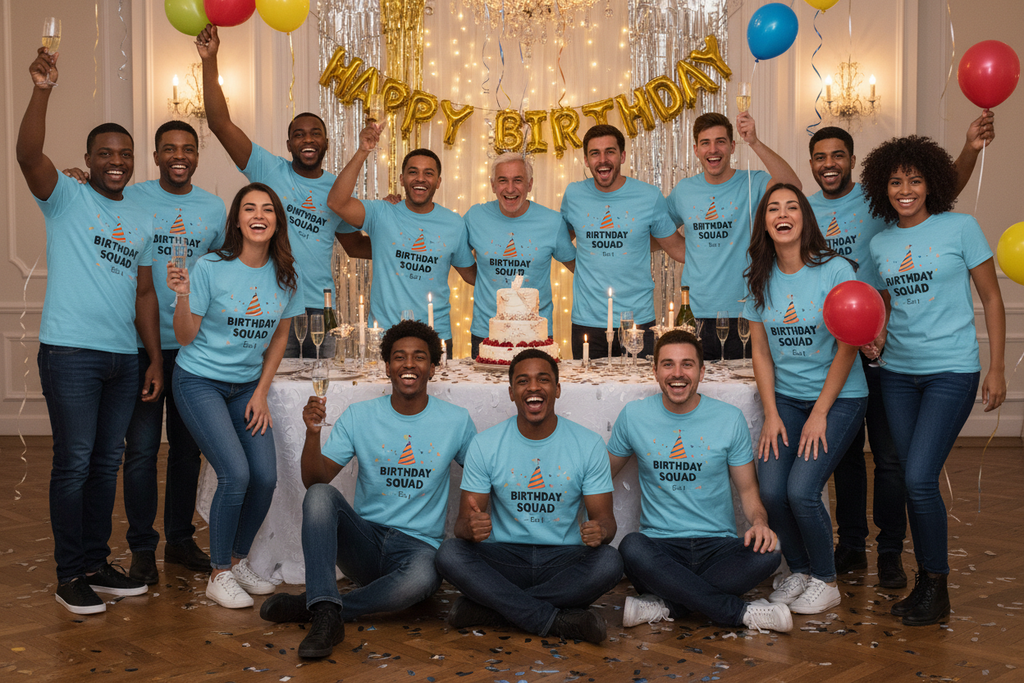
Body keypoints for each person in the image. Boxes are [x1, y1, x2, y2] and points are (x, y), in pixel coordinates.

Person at [806, 113, 995, 588]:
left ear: (853, 161)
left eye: (838, 155)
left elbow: (942, 187)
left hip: (921, 360)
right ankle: (854, 547)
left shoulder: (923, 218)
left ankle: (893, 554)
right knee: (853, 456)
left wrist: (970, 148)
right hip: (859, 350)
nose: (903, 190)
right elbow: (880, 294)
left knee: (898, 464)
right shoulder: (829, 217)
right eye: (820, 157)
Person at [16, 47, 157, 614]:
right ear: (88, 160)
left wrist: (154, 358)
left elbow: (144, 294)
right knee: (73, 463)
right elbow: (28, 155)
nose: (116, 162)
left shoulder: (142, 215)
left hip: (124, 357)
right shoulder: (66, 197)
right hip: (71, 353)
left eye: (124, 154)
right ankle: (69, 573)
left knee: (104, 464)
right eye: (105, 154)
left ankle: (96, 564)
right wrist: (43, 89)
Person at [259, 320, 476, 659]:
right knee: (319, 496)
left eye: (419, 357)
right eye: (399, 357)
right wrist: (313, 434)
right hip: (365, 543)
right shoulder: (360, 415)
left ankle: (322, 608)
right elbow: (315, 480)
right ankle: (325, 608)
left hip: (418, 549)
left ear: (433, 368)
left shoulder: (456, 421)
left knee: (424, 577)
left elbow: (481, 477)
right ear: (387, 366)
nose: (408, 364)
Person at [859, 135, 1005, 626]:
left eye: (915, 180)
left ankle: (937, 586)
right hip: (898, 374)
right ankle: (925, 584)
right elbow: (887, 304)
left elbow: (992, 298)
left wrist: (997, 367)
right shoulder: (880, 243)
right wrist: (877, 336)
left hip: (952, 370)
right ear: (883, 188)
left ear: (932, 184)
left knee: (920, 479)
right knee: (908, 478)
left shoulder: (960, 228)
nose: (905, 190)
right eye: (895, 181)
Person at [196, 24, 369, 359]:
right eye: (299, 134)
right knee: (270, 388)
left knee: (321, 387)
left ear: (326, 143)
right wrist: (210, 60)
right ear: (289, 144)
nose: (308, 139)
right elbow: (220, 124)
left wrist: (399, 236)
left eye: (315, 133)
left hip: (321, 307)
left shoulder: (337, 189)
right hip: (271, 300)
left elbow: (355, 245)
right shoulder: (268, 169)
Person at [168, 182, 304, 609]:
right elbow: (185, 337)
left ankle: (238, 561)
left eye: (267, 208)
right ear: (238, 220)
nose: (258, 215)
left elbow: (280, 336)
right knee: (235, 474)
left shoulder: (286, 274)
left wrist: (260, 391)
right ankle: (218, 574)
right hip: (199, 381)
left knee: (265, 476)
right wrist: (183, 296)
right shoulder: (211, 267)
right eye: (249, 208)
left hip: (245, 387)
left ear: (277, 221)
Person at [608, 329, 790, 633]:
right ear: (655, 371)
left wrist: (760, 523)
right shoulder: (634, 416)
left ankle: (667, 605)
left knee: (769, 551)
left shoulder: (729, 418)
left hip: (718, 548)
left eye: (687, 364)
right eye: (668, 364)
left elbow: (748, 490)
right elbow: (601, 477)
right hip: (660, 548)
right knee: (631, 547)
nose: (677, 373)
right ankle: (738, 612)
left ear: (701, 372)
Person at [435, 349, 622, 644]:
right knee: (449, 553)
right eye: (523, 381)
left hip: (562, 561)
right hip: (505, 559)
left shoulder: (588, 444)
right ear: (511, 393)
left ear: (557, 389)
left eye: (543, 379)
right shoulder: (485, 445)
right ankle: (555, 619)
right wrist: (470, 528)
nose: (533, 387)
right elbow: (461, 525)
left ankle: (494, 610)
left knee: (610, 561)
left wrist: (601, 531)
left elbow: (607, 523)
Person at [743, 184, 868, 615]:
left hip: (840, 399)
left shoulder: (835, 270)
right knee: (772, 490)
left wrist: (820, 413)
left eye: (792, 207)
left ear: (805, 218)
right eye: (773, 209)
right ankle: (798, 570)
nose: (783, 214)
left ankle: (826, 580)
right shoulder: (758, 276)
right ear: (765, 223)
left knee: (801, 491)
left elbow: (848, 346)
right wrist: (771, 413)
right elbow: (761, 352)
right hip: (787, 400)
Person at [120, 121, 225, 584]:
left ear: (197, 156)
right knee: (142, 451)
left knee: (187, 451)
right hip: (141, 345)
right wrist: (77, 179)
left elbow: (224, 268)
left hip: (193, 346)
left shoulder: (213, 208)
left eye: (187, 148)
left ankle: (180, 541)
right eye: (169, 148)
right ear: (156, 156)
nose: (179, 156)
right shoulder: (132, 197)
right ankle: (142, 548)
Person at [327, 124, 476, 354]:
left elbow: (471, 275)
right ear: (402, 179)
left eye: (429, 173)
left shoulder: (454, 224)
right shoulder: (382, 213)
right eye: (413, 172)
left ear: (438, 181)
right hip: (384, 335)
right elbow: (336, 203)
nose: (420, 178)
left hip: (436, 335)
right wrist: (363, 151)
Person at [667, 112, 801, 361]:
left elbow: (793, 187)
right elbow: (659, 231)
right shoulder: (684, 190)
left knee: (745, 384)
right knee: (693, 384)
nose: (713, 149)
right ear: (696, 150)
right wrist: (689, 251)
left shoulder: (753, 182)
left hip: (746, 312)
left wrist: (755, 142)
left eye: (720, 141)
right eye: (705, 143)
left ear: (732, 146)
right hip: (694, 313)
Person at [560, 124, 686, 360]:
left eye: (610, 151)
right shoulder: (574, 194)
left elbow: (677, 247)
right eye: (595, 153)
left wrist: (724, 254)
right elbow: (560, 243)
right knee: (588, 383)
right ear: (586, 160)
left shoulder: (648, 196)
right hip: (588, 321)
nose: (603, 160)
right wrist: (582, 269)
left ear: (623, 156)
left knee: (639, 382)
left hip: (637, 320)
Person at [466, 153, 576, 359]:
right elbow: (454, 255)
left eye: (518, 180)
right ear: (492, 185)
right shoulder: (475, 217)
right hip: (486, 331)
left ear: (530, 184)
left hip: (536, 334)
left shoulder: (552, 221)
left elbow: (578, 267)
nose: (510, 189)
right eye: (502, 180)